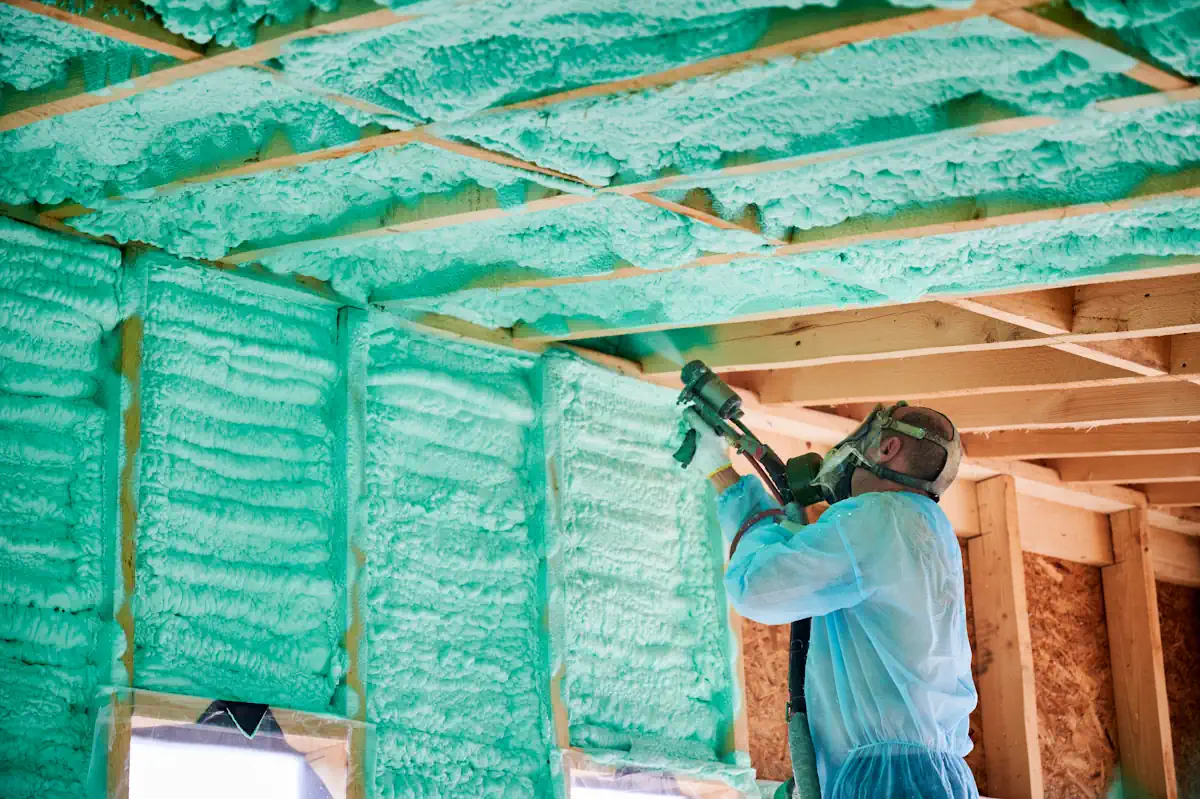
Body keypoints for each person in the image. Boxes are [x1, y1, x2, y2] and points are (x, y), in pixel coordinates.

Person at [687, 402, 979, 799]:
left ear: (888, 448)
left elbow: (756, 586)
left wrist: (723, 477)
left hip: (887, 781)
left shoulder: (877, 516)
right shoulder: (928, 529)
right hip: (940, 779)